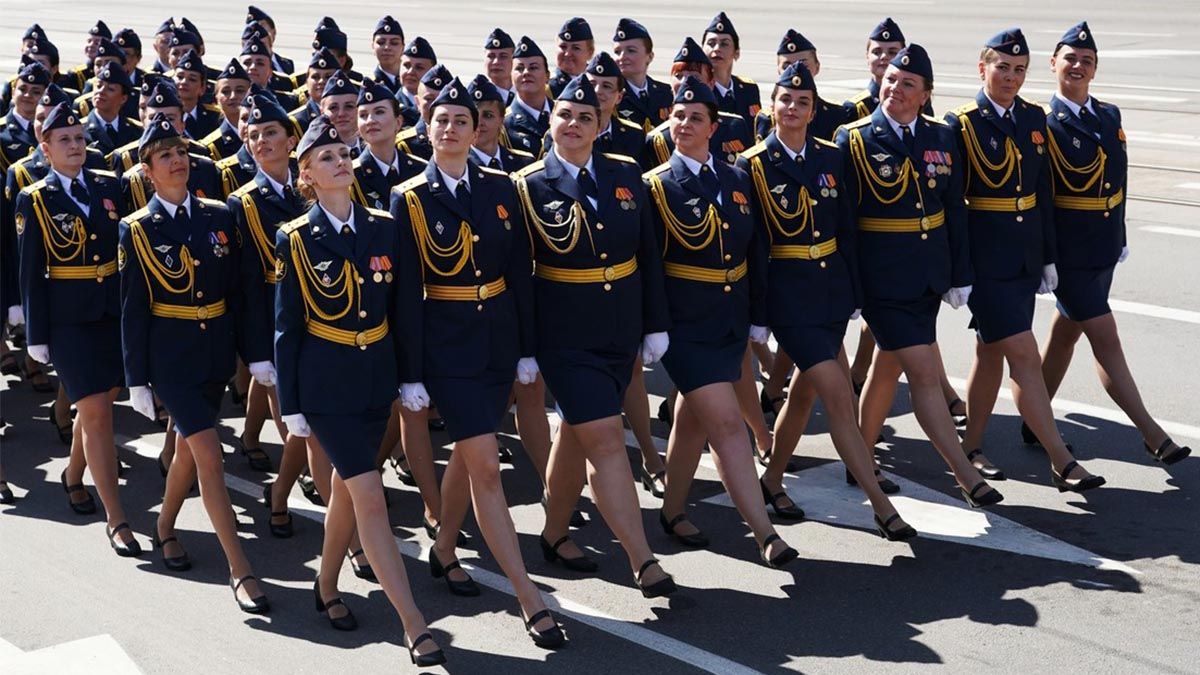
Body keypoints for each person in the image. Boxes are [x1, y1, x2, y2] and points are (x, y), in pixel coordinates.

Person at [391, 77, 566, 648]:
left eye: (462, 121)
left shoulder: (499, 187)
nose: (451, 129)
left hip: (497, 342)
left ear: (478, 129)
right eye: (441, 121)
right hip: (448, 348)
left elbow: (520, 272)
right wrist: (411, 373)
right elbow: (409, 290)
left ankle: (443, 548)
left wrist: (526, 349)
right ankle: (529, 597)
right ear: (428, 129)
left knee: (473, 453)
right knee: (486, 466)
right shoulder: (410, 196)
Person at [274, 114, 446, 666]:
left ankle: (325, 585)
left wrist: (411, 375)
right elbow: (288, 326)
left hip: (376, 381)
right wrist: (294, 406)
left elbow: (405, 310)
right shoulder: (296, 237)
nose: (341, 162)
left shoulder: (384, 226)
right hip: (326, 390)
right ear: (307, 176)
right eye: (326, 158)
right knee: (369, 495)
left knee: (350, 495)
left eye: (344, 154)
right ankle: (413, 623)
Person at [514, 75, 676, 597]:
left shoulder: (626, 173)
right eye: (565, 115)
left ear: (601, 125)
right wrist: (525, 349)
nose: (574, 125)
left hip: (620, 329)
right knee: (606, 439)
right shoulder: (528, 185)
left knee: (576, 437)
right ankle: (642, 558)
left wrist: (654, 324)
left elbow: (648, 255)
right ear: (551, 120)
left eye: (586, 117)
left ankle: (555, 533)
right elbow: (520, 276)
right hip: (565, 338)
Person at [740, 64, 918, 538]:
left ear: (814, 110)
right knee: (838, 394)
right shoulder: (752, 165)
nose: (793, 108)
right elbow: (754, 247)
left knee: (804, 392)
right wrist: (758, 316)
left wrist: (855, 293)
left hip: (832, 292)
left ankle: (772, 478)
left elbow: (848, 231)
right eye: (785, 100)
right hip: (789, 298)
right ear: (772, 106)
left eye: (802, 102)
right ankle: (880, 507)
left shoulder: (832, 157)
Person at [835, 45, 1005, 508]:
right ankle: (965, 475)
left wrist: (959, 273)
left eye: (907, 84)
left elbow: (954, 209)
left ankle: (860, 457)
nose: (895, 89)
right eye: (890, 80)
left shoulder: (941, 135)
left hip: (928, 276)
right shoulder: (854, 138)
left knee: (887, 368)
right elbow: (845, 224)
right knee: (926, 374)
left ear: (926, 93)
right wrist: (849, 286)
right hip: (881, 280)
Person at [118, 112, 272, 612]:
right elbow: (133, 308)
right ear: (147, 171)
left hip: (215, 353)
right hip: (172, 357)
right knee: (209, 453)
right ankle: (240, 567)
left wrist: (254, 354)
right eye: (165, 155)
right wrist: (136, 378)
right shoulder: (137, 230)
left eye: (181, 152)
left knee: (189, 447)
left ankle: (164, 525)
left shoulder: (219, 216)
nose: (178, 161)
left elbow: (241, 291)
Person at [644, 76, 799, 565]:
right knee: (729, 426)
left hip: (729, 323)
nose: (683, 124)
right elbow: (649, 266)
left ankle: (671, 511)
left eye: (695, 118)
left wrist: (758, 316)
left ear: (714, 127)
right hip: (686, 328)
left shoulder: (735, 178)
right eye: (677, 115)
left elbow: (756, 251)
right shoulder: (657, 186)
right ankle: (764, 533)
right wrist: (653, 327)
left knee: (693, 421)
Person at [945, 28, 1107, 492]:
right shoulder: (962, 123)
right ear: (983, 69)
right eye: (1002, 67)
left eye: (1019, 70)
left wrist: (1048, 258)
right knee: (1024, 355)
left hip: (1023, 258)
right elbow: (955, 206)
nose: (1011, 77)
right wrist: (958, 273)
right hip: (986, 262)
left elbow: (1042, 193)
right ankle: (1060, 459)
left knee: (989, 352)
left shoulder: (1034, 119)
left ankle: (971, 447)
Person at [1036, 22, 1190, 466]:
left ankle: (1035, 418)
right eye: (1070, 58)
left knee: (1067, 332)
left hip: (1103, 249)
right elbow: (1042, 197)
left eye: (1087, 60)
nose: (1078, 66)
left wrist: (1119, 235)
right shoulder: (1042, 125)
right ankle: (1151, 432)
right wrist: (1045, 257)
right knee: (1104, 334)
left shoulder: (1109, 115)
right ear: (1054, 65)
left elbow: (1117, 180)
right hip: (1070, 256)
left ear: (1096, 68)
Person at [14, 102, 142, 552]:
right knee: (97, 414)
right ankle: (118, 517)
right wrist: (36, 336)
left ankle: (73, 474)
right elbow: (30, 270)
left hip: (111, 315)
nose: (75, 146)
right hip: (68, 322)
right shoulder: (34, 198)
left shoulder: (109, 186)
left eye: (80, 138)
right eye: (64, 140)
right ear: (44, 148)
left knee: (98, 405)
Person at [226, 93, 305, 483]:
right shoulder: (242, 203)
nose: (261, 142)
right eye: (253, 135)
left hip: (321, 313)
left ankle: (252, 438)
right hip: (275, 320)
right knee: (294, 423)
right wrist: (256, 351)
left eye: (270, 132)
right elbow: (246, 285)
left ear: (291, 141)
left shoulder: (311, 187)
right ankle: (286, 492)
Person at [641, 38, 753, 170]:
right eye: (678, 75)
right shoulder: (658, 140)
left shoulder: (735, 126)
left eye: (694, 76)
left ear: (711, 84)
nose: (685, 82)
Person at [543, 53, 644, 159]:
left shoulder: (634, 135)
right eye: (592, 84)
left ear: (619, 97)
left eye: (606, 86)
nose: (597, 91)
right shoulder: (563, 133)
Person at [350, 78, 426, 210]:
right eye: (363, 115)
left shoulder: (421, 169)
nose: (370, 121)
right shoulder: (350, 177)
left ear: (398, 122)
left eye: (379, 112)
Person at [612, 18, 672, 133]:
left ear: (650, 56)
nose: (622, 57)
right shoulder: (612, 95)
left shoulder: (666, 93)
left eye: (631, 50)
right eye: (617, 52)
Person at [701, 12, 760, 128]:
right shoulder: (699, 91)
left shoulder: (749, 90)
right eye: (711, 43)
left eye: (724, 44)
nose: (717, 49)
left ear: (736, 53)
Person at [467, 74, 535, 172]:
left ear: (501, 119)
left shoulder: (525, 163)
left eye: (488, 116)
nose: (479, 122)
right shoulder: (458, 167)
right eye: (474, 116)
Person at [505, 36, 552, 156]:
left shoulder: (564, 113)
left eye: (533, 68)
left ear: (547, 76)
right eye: (519, 68)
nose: (526, 72)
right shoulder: (503, 124)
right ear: (511, 76)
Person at [199, 59, 251, 161]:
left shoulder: (266, 134)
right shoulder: (210, 147)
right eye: (226, 91)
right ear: (216, 98)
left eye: (240, 91)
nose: (233, 96)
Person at [171, 49, 221, 140]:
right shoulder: (163, 114)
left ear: (202, 88)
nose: (184, 82)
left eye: (192, 79)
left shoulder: (216, 118)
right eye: (180, 77)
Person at [397, 37, 436, 127]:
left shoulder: (443, 105)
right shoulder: (391, 108)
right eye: (406, 65)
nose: (410, 72)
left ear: (432, 71)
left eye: (419, 67)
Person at [550, 17, 594, 98]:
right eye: (563, 47)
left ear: (590, 53)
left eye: (576, 48)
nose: (567, 54)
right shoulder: (548, 87)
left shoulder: (598, 83)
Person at [370, 16, 406, 96]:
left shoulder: (414, 82)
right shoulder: (368, 85)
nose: (387, 47)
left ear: (403, 47)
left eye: (394, 43)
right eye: (381, 42)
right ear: (372, 46)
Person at [482, 28, 516, 105]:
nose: (496, 62)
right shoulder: (477, 98)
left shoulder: (527, 93)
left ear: (514, 60)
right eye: (491, 56)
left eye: (503, 56)